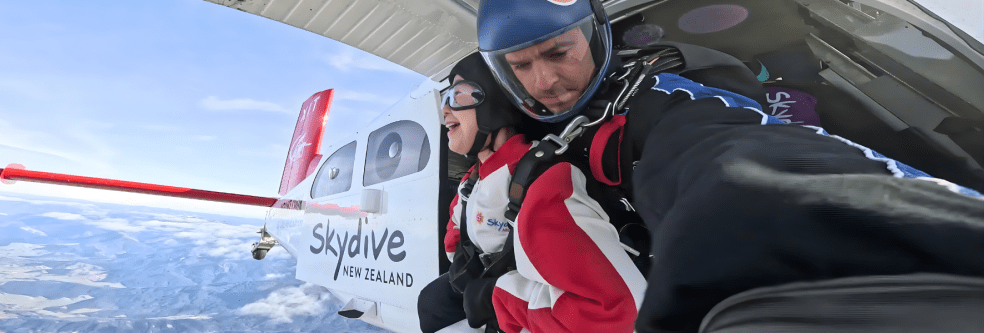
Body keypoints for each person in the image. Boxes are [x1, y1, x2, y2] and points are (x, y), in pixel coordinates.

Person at [474, 0, 984, 332]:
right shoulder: (558, 132)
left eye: (559, 52)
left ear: (596, 37)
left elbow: (730, 158)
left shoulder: (661, 99)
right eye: (520, 67)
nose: (544, 80)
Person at [417, 52, 646, 333]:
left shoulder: (541, 184)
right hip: (495, 295)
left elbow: (620, 313)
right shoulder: (472, 181)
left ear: (496, 102)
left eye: (459, 95)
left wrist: (498, 298)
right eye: (445, 98)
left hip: (523, 311)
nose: (445, 110)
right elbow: (455, 238)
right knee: (431, 302)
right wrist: (467, 268)